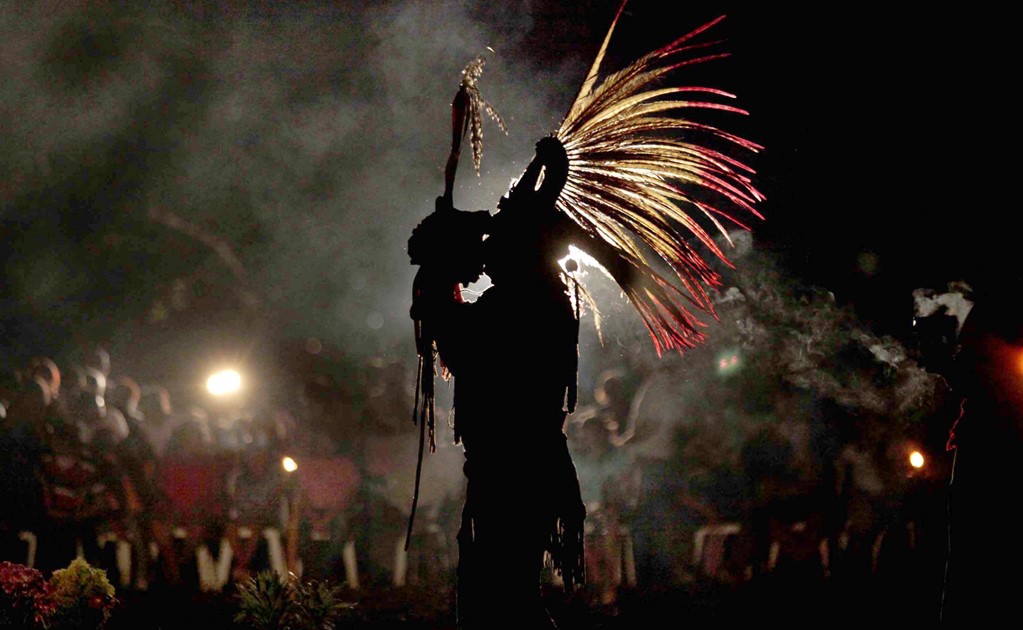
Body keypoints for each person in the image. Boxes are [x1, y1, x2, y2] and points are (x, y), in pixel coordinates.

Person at [409, 136, 586, 629]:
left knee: (504, 597)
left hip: (518, 469)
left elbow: (464, 348)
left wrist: (441, 274)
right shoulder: (531, 297)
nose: (486, 255)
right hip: (516, 467)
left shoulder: (524, 306)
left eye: (496, 244)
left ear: (522, 250)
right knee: (502, 593)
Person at [940, 289, 1023, 624]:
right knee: (972, 556)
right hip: (985, 446)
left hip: (1007, 446)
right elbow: (960, 370)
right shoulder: (991, 315)